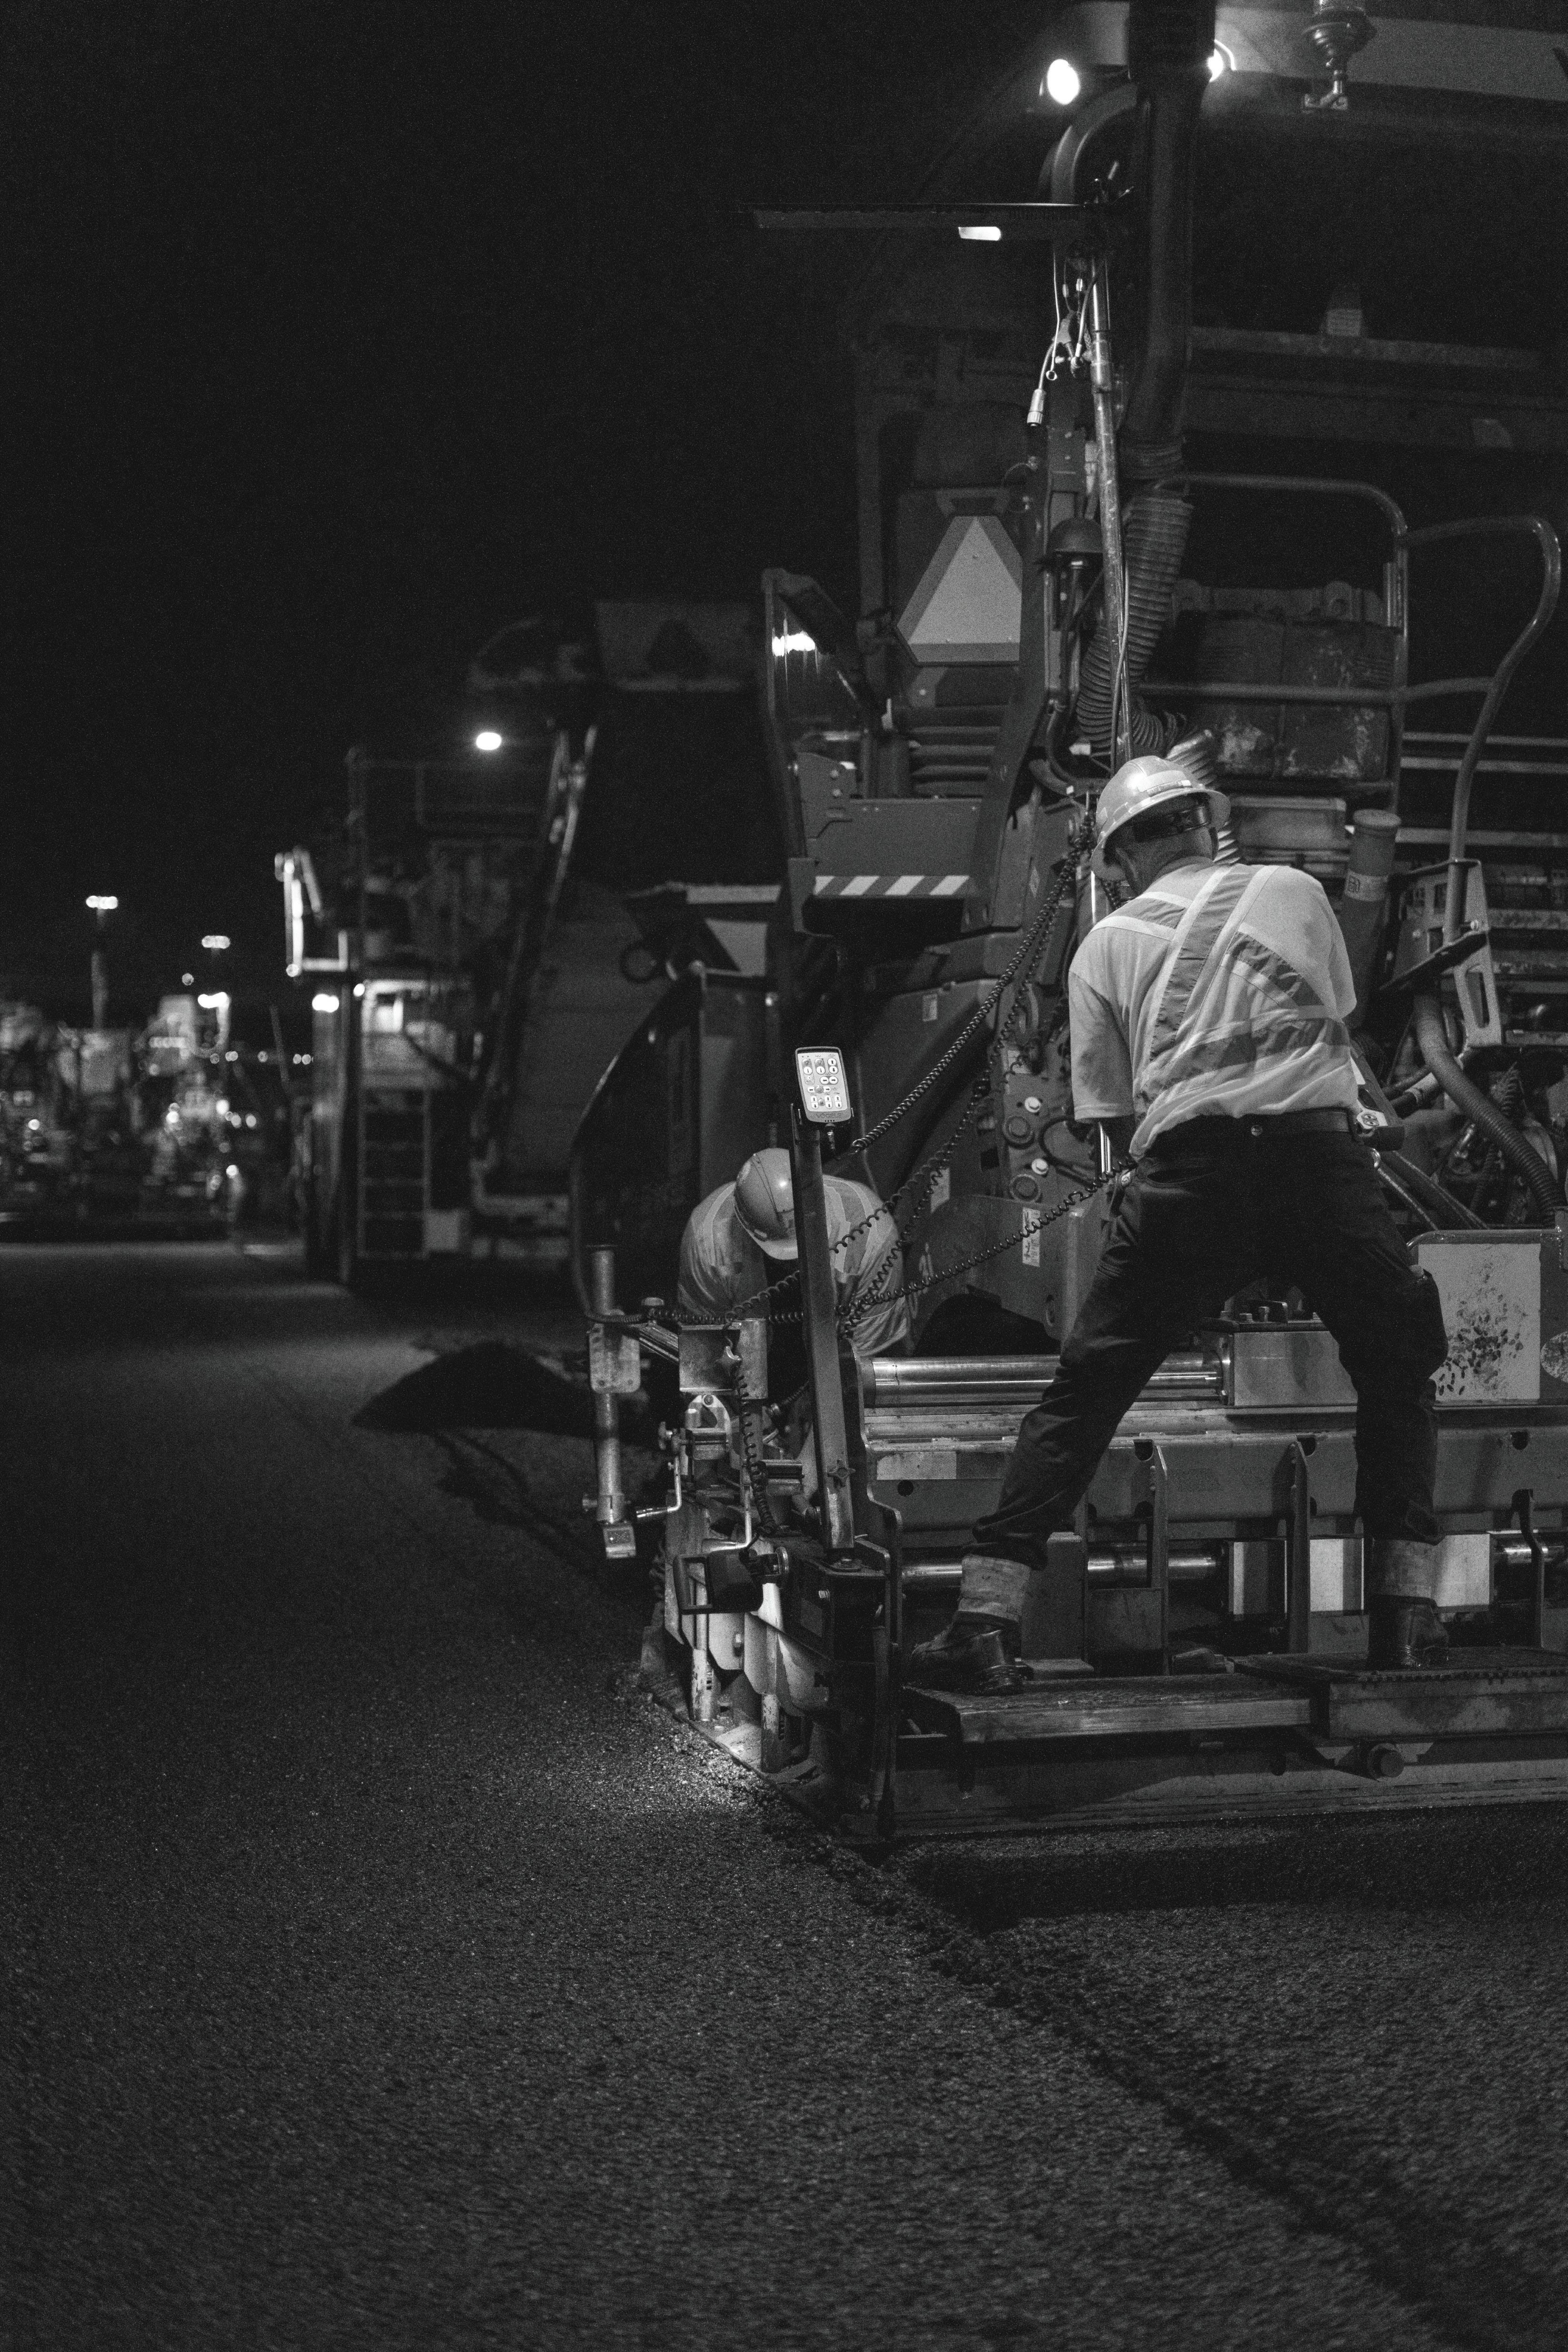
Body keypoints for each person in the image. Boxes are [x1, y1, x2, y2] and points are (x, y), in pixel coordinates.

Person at [908, 754, 1450, 1689]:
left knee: (1084, 1396)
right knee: (1396, 1369)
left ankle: (983, 1622)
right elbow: (1339, 1014)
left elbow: (1111, 1119)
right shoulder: (1293, 893)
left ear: (1119, 858)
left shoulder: (1104, 944)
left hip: (1191, 1178)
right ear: (1206, 823)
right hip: (1320, 1165)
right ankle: (1403, 1620)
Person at [677, 1146, 910, 1364]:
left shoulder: (872, 1233)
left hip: (841, 1361)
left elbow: (868, 1365)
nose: (795, 1261)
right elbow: (707, 1353)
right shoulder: (706, 1239)